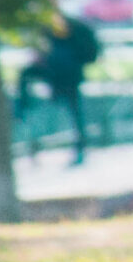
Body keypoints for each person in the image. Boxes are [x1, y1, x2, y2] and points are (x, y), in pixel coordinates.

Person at [17, 11, 100, 166]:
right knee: (70, 113)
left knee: (74, 113)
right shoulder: (44, 27)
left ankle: (79, 148)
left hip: (67, 75)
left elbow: (89, 53)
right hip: (53, 74)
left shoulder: (75, 27)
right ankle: (22, 116)